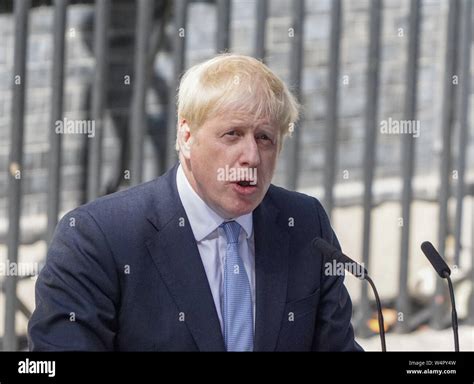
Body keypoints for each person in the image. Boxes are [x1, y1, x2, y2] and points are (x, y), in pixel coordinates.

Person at [28, 54, 362, 351]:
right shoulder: (98, 237)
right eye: (232, 134)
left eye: (265, 138)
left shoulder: (304, 224)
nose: (251, 157)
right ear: (186, 137)